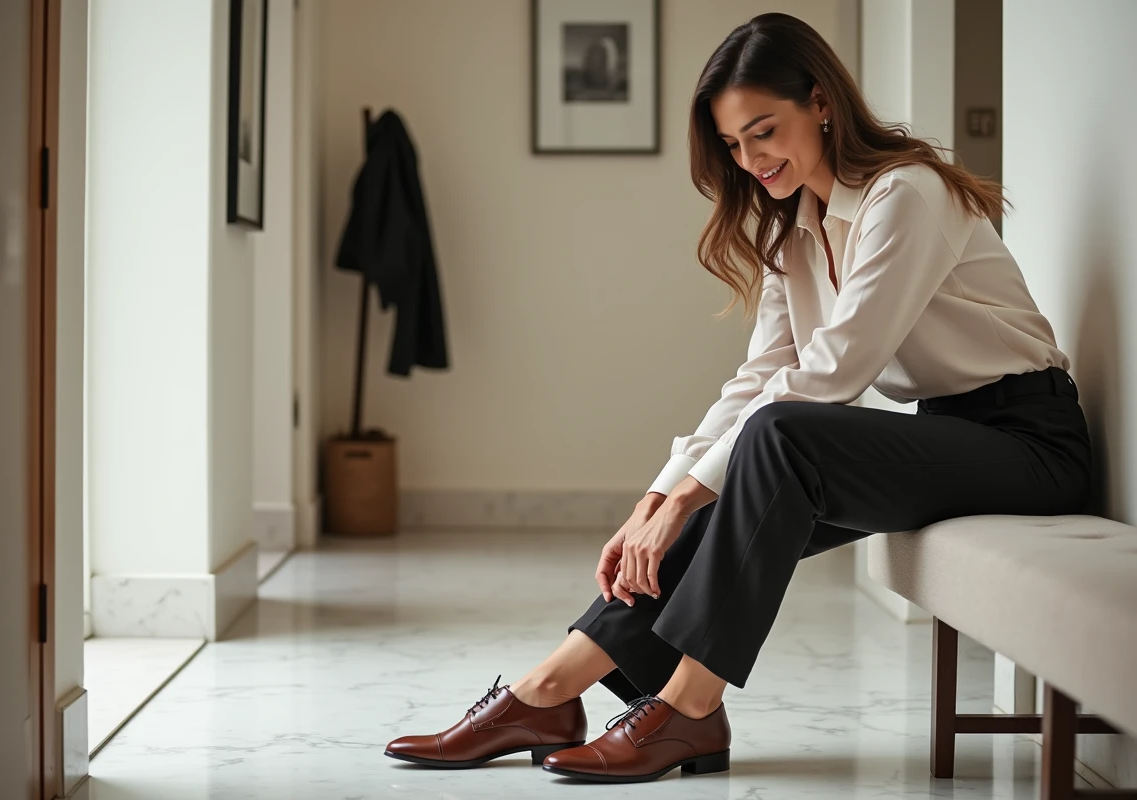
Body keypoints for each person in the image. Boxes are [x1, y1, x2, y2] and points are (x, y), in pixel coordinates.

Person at [383, 12, 1092, 784]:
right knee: (754, 455)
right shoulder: (795, 230)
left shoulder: (906, 196)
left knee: (777, 441)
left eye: (764, 131)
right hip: (949, 437)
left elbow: (836, 370)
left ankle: (688, 704)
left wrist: (688, 496)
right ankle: (549, 690)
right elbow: (758, 377)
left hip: (1028, 446)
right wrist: (657, 498)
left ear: (821, 102)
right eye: (733, 144)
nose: (751, 159)